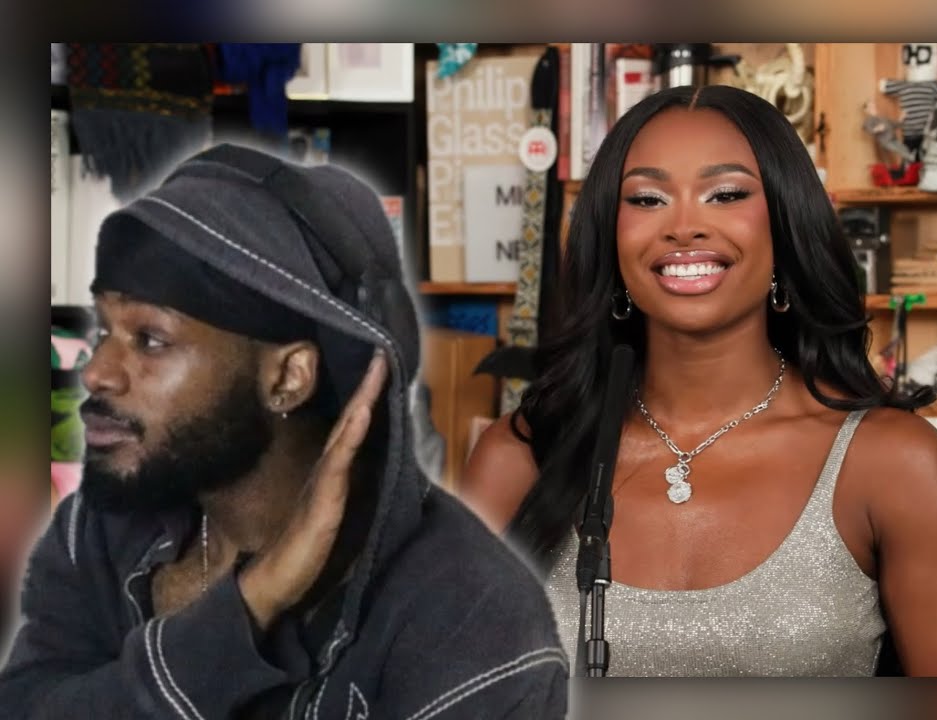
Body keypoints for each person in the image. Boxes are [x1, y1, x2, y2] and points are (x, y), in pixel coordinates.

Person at [459, 85, 937, 677]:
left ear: (784, 223)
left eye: (725, 194)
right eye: (647, 199)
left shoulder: (894, 462)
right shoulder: (518, 459)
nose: (684, 226)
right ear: (610, 235)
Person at [0, 145, 568, 717]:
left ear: (289, 377)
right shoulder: (100, 529)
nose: (95, 371)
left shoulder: (473, 623)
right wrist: (250, 604)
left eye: (151, 340)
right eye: (105, 330)